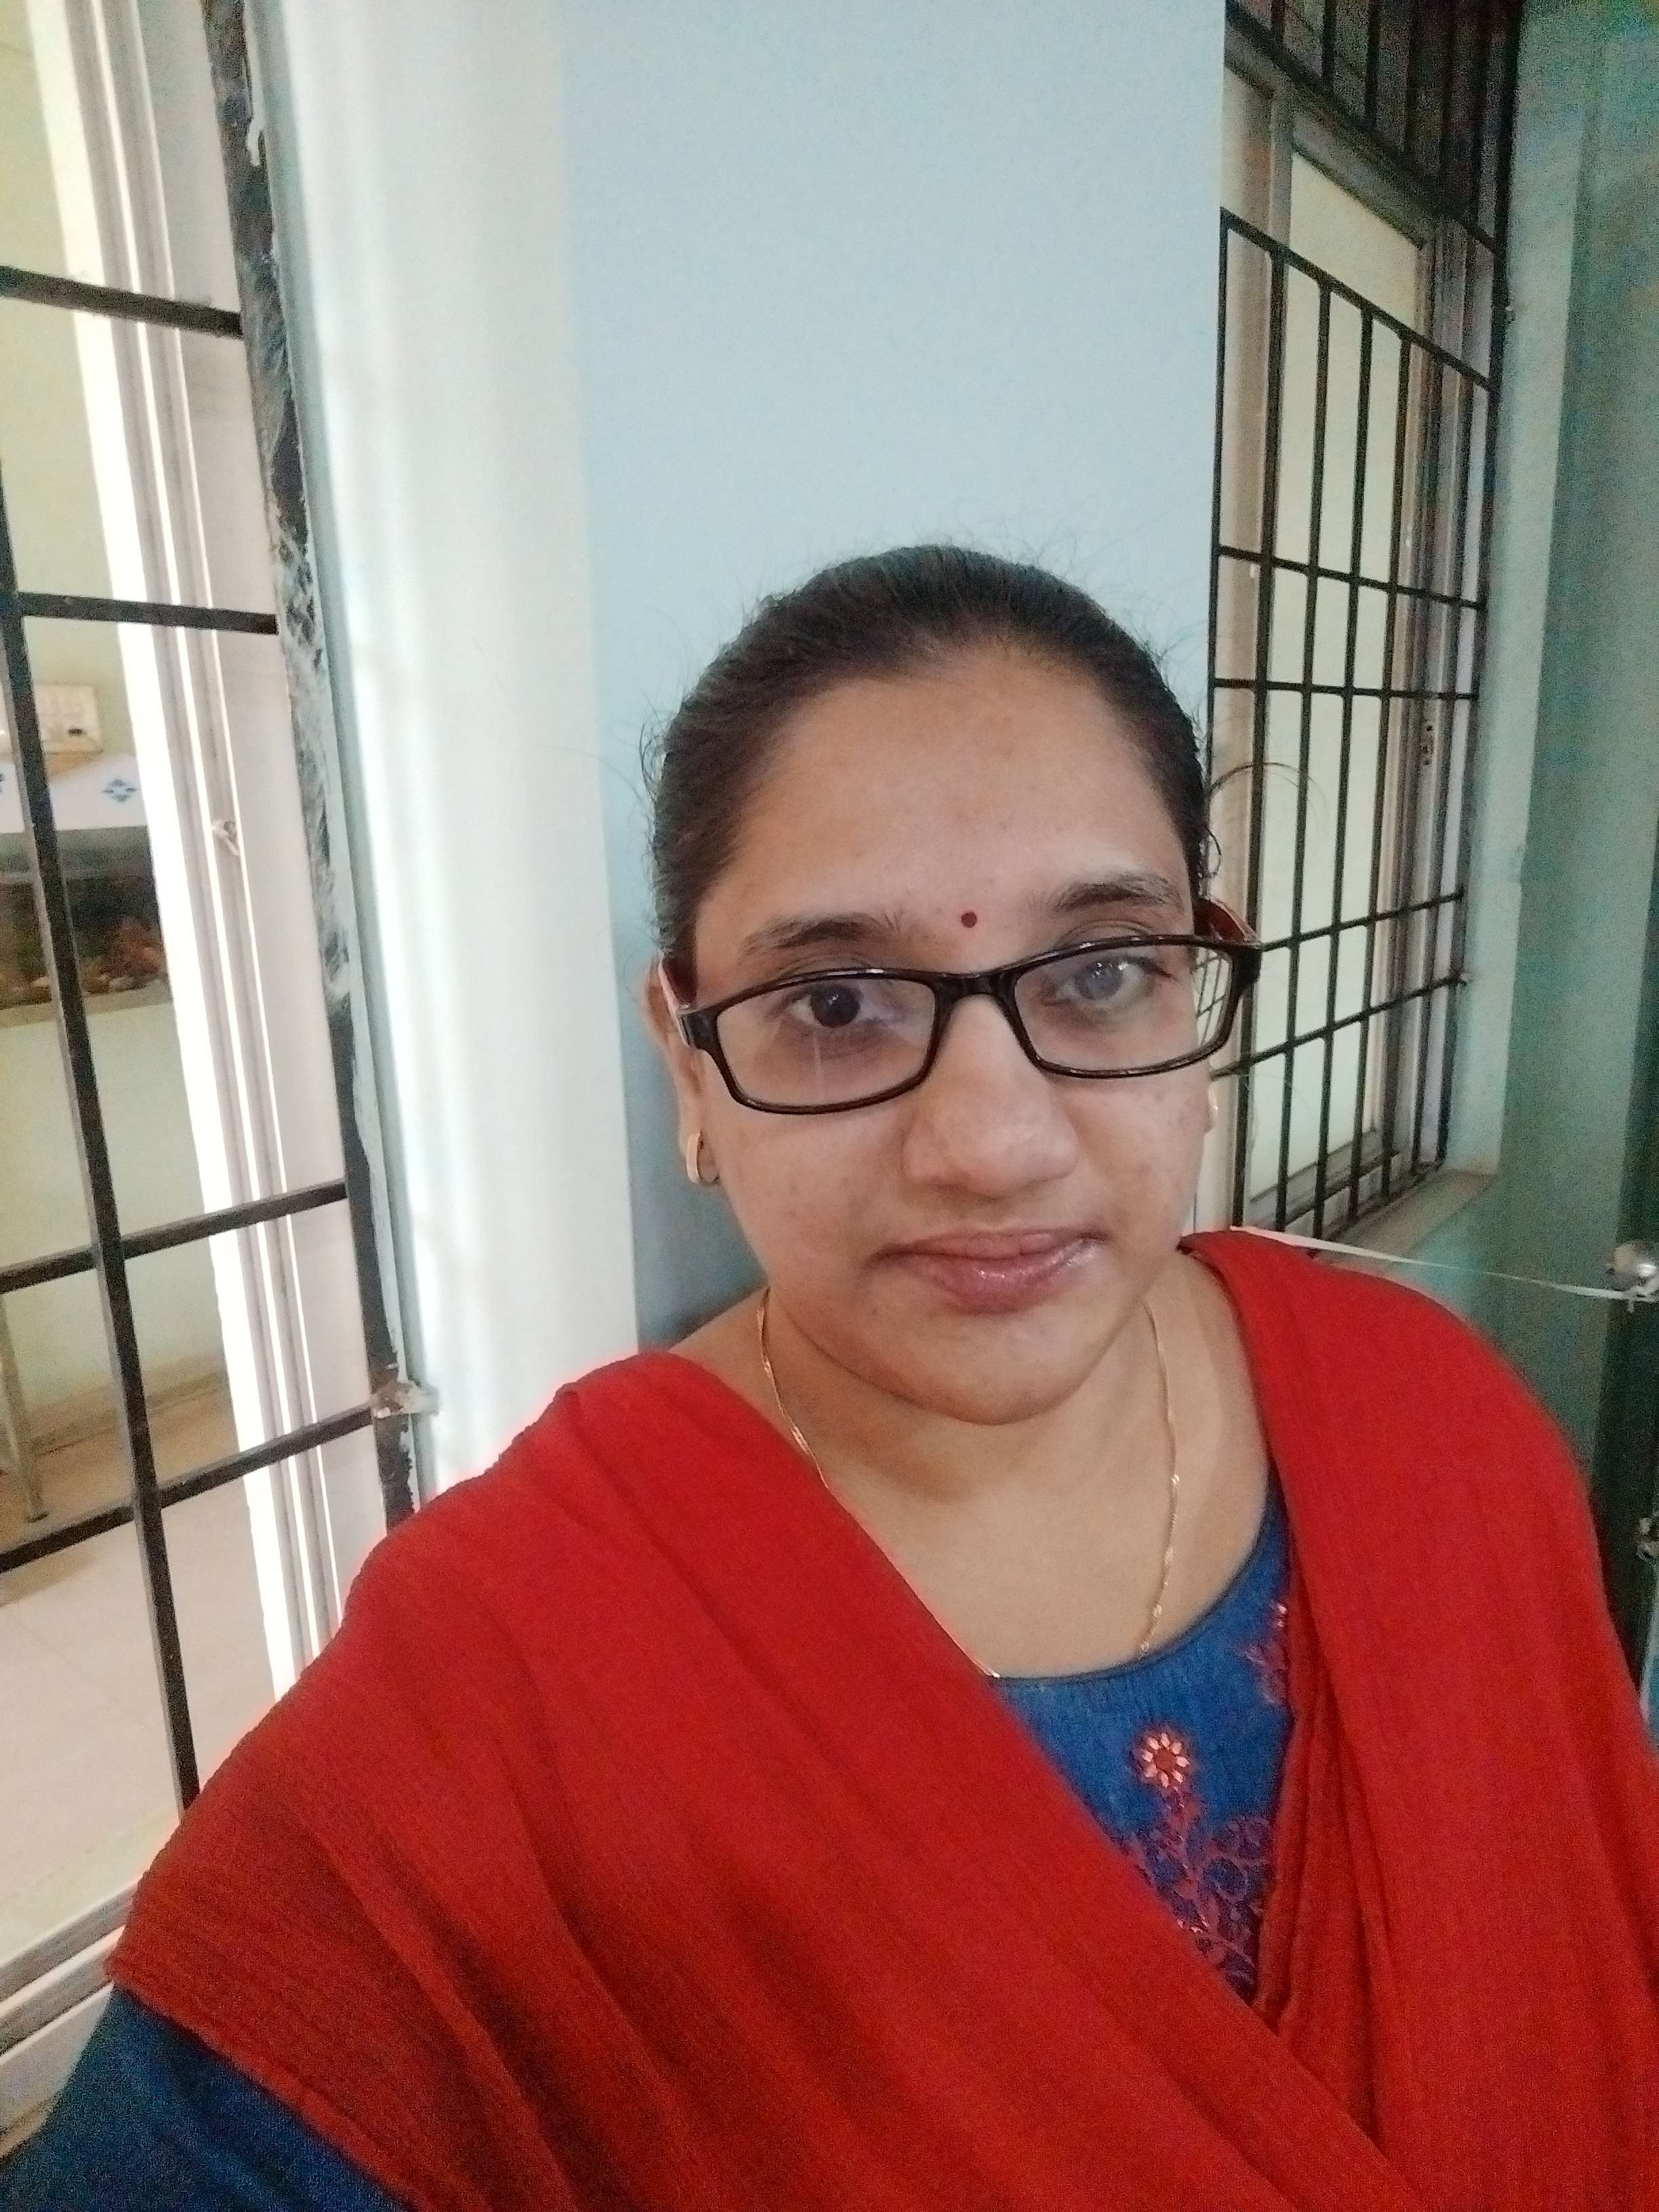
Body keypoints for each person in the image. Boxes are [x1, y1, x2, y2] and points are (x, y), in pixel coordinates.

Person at [9, 547, 1658, 2211]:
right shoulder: (509, 1684)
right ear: (689, 1065)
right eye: (837, 1002)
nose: (993, 1145)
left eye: (1101, 973)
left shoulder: (1432, 1428)